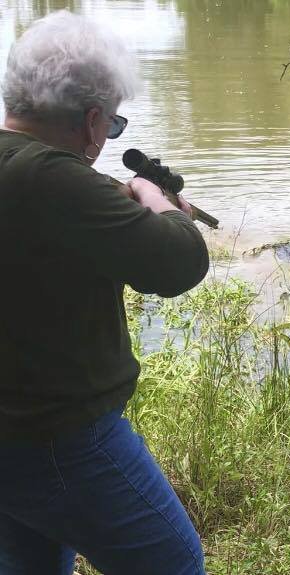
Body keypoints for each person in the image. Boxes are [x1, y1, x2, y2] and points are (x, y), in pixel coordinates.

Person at [0, 10, 209, 575]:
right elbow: (178, 263)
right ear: (92, 120)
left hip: (11, 429)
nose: (107, 136)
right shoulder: (54, 179)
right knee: (177, 563)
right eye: (112, 125)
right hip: (62, 438)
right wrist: (157, 200)